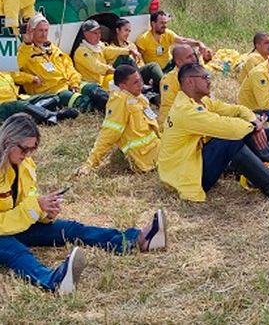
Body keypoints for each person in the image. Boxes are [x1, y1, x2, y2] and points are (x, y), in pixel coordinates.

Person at [0, 113, 166, 294]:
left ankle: (137, 239)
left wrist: (45, 212)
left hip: (16, 224)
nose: (28, 155)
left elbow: (27, 201)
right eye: (24, 149)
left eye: (32, 150)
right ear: (8, 140)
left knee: (71, 229)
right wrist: (35, 207)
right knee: (17, 252)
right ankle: (52, 282)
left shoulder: (24, 163)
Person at [158, 64, 269, 203]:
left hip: (193, 163)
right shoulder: (185, 111)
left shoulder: (200, 102)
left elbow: (237, 109)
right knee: (231, 139)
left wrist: (254, 122)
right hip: (185, 176)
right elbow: (226, 127)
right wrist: (253, 127)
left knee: (245, 131)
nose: (209, 81)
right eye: (205, 77)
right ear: (190, 81)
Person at [78, 65, 160, 175]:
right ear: (122, 86)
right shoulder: (119, 101)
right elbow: (108, 134)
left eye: (140, 80)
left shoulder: (137, 97)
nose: (140, 85)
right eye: (135, 82)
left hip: (156, 148)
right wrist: (90, 164)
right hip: (145, 158)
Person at [17, 14, 108, 113]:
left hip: (69, 84)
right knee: (82, 102)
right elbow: (13, 72)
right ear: (32, 31)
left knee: (94, 89)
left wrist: (74, 83)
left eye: (46, 30)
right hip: (54, 91)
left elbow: (69, 67)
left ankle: (114, 106)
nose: (44, 34)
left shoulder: (53, 48)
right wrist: (31, 78)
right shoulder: (24, 51)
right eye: (40, 30)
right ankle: (107, 111)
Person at [134, 10, 208, 71]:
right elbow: (139, 59)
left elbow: (183, 41)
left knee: (188, 52)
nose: (164, 26)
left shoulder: (167, 33)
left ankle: (197, 73)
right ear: (153, 24)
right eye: (162, 23)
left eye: (165, 23)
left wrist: (198, 43)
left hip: (169, 65)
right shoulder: (144, 39)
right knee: (154, 67)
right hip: (155, 69)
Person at [0, 69, 77, 125]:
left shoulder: (4, 70)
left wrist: (33, 78)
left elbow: (17, 75)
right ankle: (53, 115)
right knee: (20, 105)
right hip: (2, 107)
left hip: (18, 99)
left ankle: (33, 113)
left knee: (54, 98)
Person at [108, 18, 163, 92]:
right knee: (125, 57)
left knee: (153, 66)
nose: (128, 33)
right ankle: (141, 85)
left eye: (129, 31)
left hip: (137, 72)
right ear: (117, 30)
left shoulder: (131, 45)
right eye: (125, 30)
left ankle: (165, 87)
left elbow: (140, 62)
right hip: (124, 76)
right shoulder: (111, 47)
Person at [71, 19, 128, 88]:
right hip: (92, 85)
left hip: (103, 79)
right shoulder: (81, 51)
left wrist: (128, 51)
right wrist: (114, 71)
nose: (99, 36)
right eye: (95, 33)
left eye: (99, 33)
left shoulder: (99, 44)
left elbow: (108, 51)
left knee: (124, 57)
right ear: (86, 34)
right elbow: (96, 66)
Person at [157, 44, 198, 127]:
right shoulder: (169, 80)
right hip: (174, 123)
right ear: (179, 62)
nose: (194, 59)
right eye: (189, 57)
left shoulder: (196, 73)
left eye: (193, 55)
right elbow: (169, 107)